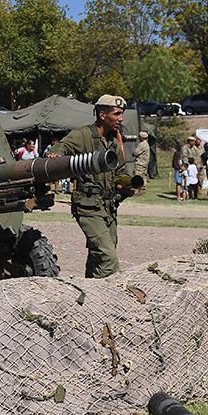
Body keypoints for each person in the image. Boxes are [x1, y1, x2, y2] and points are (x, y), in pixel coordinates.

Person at [48, 94, 137, 278]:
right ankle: (107, 296)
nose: (121, 119)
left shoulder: (113, 142)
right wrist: (56, 154)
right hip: (88, 208)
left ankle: (89, 293)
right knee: (108, 258)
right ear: (102, 115)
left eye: (122, 114)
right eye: (117, 114)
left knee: (99, 256)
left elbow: (120, 172)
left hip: (108, 209)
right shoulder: (83, 135)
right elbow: (62, 147)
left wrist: (127, 184)